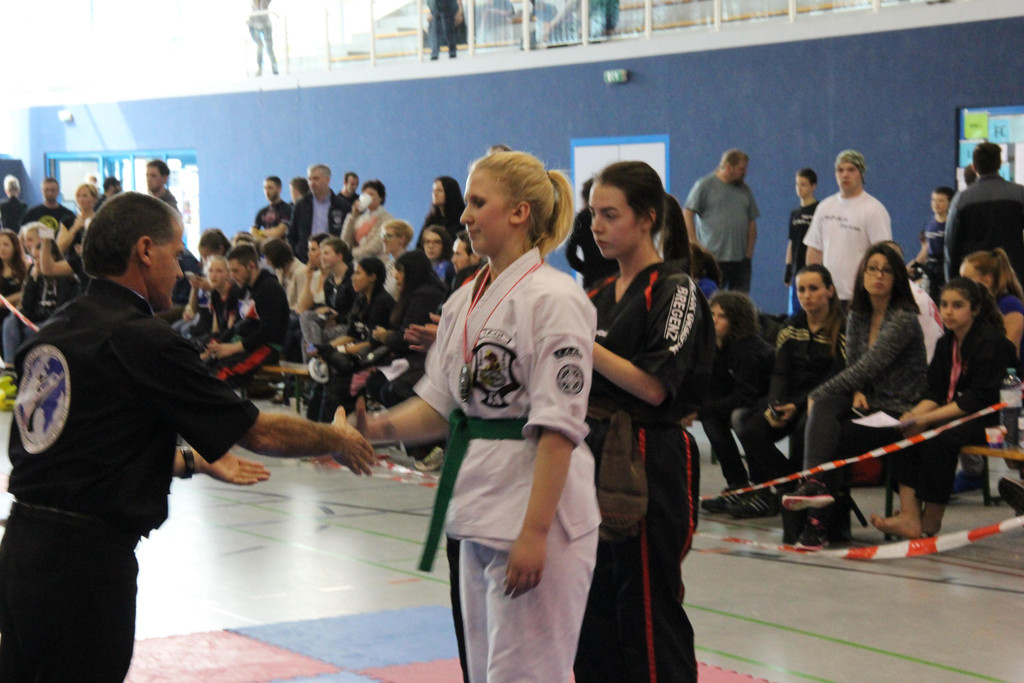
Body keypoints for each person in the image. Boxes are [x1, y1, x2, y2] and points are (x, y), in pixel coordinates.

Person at [0, 192, 375, 682]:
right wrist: (337, 437)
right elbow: (260, 432)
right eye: (176, 254)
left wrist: (195, 461)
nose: (180, 271)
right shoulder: (142, 339)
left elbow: (84, 447)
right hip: (84, 565)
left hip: (21, 551)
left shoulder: (50, 333)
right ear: (145, 250)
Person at [356, 150, 600, 682]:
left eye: (476, 202)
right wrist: (372, 431)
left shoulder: (556, 299)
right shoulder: (463, 300)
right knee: (486, 672)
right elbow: (441, 405)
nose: (464, 216)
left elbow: (560, 427)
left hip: (542, 513)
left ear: (519, 212)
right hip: (480, 504)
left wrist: (535, 532)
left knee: (528, 676)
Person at [574, 161, 714, 683]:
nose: (597, 226)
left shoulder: (675, 289)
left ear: (647, 218)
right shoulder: (595, 293)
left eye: (610, 215)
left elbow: (655, 385)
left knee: (648, 606)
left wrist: (581, 344)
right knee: (591, 607)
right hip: (588, 450)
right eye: (593, 214)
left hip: (649, 456)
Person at [783, 242, 927, 549]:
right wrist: (854, 391)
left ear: (897, 278)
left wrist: (819, 392)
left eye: (886, 271)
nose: (879, 276)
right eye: (872, 269)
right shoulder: (858, 315)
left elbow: (868, 366)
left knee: (834, 433)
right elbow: (854, 366)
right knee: (821, 411)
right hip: (867, 402)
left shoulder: (903, 318)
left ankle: (816, 524)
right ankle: (814, 487)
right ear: (862, 275)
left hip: (897, 409)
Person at [866, 278, 1017, 539]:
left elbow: (977, 400)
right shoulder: (946, 343)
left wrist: (928, 417)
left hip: (999, 419)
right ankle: (910, 514)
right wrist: (914, 415)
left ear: (975, 309)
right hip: (961, 413)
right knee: (908, 432)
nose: (948, 312)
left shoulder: (991, 343)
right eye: (944, 305)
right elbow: (935, 391)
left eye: (957, 305)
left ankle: (932, 519)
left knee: (941, 438)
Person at [732, 264, 846, 518]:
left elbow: (836, 377)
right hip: (789, 399)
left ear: (829, 291)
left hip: (822, 401)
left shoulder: (843, 328)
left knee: (804, 427)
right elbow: (780, 373)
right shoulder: (790, 327)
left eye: (813, 289)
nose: (806, 295)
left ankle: (803, 490)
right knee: (749, 427)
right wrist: (776, 404)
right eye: (801, 290)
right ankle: (789, 486)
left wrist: (798, 405)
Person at [696, 291, 775, 512]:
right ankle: (738, 485)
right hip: (746, 401)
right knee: (711, 419)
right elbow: (714, 393)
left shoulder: (748, 348)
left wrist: (700, 411)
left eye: (721, 316)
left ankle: (761, 490)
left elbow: (745, 396)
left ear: (737, 321)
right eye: (712, 314)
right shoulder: (714, 347)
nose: (713, 320)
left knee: (740, 417)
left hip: (768, 401)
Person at [804, 150, 892, 303]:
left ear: (861, 174)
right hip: (829, 297)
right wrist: (813, 287)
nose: (845, 175)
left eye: (851, 170)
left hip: (861, 297)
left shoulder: (874, 210)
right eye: (840, 170)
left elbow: (884, 256)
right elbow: (814, 251)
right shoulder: (824, 207)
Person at [205, 243, 290, 387]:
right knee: (205, 367)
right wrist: (219, 344)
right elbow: (239, 324)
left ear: (251, 266)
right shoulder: (245, 289)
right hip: (246, 343)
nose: (232, 276)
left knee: (221, 376)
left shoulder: (269, 288)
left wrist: (232, 348)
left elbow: (268, 331)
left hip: (267, 347)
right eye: (230, 271)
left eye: (236, 271)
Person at [946, 142, 1024, 284]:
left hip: (976, 278)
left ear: (974, 167)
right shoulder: (1019, 194)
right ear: (999, 164)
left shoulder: (961, 199)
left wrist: (952, 282)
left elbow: (952, 246)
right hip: (1013, 275)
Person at [683, 149, 759, 292]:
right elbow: (688, 213)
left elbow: (751, 221)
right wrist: (695, 244)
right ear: (729, 167)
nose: (745, 172)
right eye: (741, 169)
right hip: (713, 259)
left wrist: (749, 251)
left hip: (740, 261)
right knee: (713, 299)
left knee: (740, 300)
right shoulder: (704, 185)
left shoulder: (745, 190)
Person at [288, 164, 352, 262]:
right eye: (309, 179)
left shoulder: (342, 206)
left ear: (327, 179)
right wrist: (297, 252)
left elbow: (348, 235)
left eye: (316, 179)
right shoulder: (301, 205)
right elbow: (292, 235)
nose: (312, 183)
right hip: (305, 259)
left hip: (333, 260)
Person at [564, 177, 618, 288]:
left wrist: (586, 270)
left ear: (584, 197)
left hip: (592, 280)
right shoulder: (614, 217)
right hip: (615, 276)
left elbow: (570, 255)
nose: (596, 228)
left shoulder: (580, 219)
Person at [906, 186, 954, 302]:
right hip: (932, 269)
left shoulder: (952, 224)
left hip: (947, 268)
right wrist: (912, 265)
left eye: (941, 201)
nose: (936, 204)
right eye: (934, 200)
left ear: (949, 203)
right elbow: (925, 250)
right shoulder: (929, 223)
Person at [784, 168, 819, 314]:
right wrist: (788, 267)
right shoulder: (795, 213)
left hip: (812, 269)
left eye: (803, 184)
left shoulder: (819, 210)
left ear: (813, 186)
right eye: (797, 184)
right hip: (796, 271)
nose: (799, 188)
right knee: (795, 312)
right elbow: (792, 242)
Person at [341, 179, 393, 260]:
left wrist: (351, 254)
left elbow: (376, 246)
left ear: (381, 198)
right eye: (364, 194)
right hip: (358, 263)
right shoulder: (360, 219)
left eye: (371, 194)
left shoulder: (387, 219)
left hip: (378, 262)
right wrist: (353, 216)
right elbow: (345, 241)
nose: (367, 197)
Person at [418, 175, 466, 244]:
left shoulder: (462, 219)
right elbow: (420, 244)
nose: (435, 194)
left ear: (450, 193)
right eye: (433, 191)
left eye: (439, 191)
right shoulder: (431, 219)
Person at [0, 229, 27, 331]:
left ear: (15, 247)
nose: (1, 249)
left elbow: (27, 293)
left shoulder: (26, 267)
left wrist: (6, 301)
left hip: (18, 315)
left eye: (6, 245)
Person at [381, 219, 414, 299]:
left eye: (388, 236)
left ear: (402, 239)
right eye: (383, 236)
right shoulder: (388, 264)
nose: (384, 240)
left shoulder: (409, 265)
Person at [252, 175, 292, 241]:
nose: (267, 191)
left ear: (279, 188)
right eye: (265, 188)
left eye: (270, 188)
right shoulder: (262, 212)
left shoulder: (287, 209)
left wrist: (260, 232)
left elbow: (279, 232)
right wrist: (265, 242)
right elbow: (253, 232)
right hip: (264, 246)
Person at [247, 0, 279, 76]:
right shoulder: (252, 3)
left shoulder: (264, 1)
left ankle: (274, 67)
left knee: (269, 47)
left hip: (266, 25)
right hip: (255, 26)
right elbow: (251, 14)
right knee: (259, 47)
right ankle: (260, 68)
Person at [421, 224, 455, 289]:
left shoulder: (449, 268)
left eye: (436, 242)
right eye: (427, 242)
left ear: (444, 245)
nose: (431, 246)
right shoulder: (419, 267)